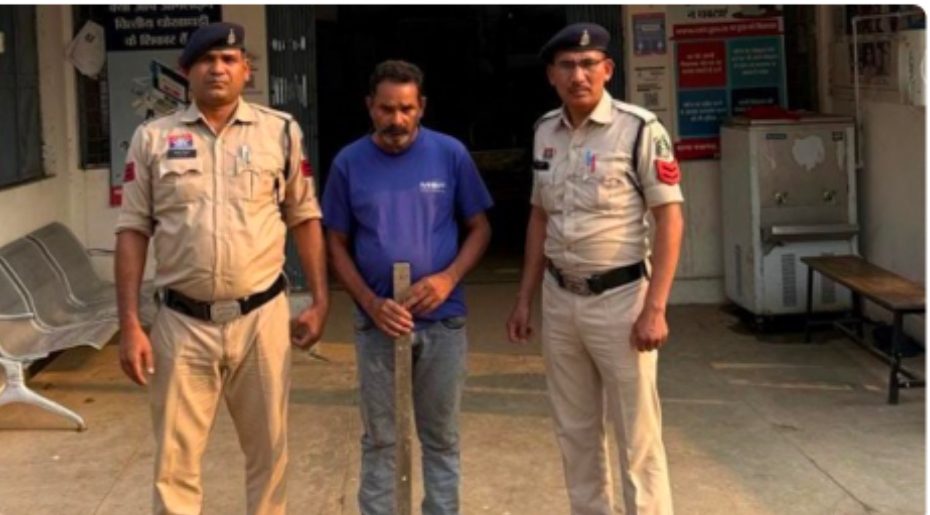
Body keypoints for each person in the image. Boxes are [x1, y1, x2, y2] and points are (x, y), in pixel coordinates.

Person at [114, 22, 328, 515]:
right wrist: (130, 324)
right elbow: (132, 231)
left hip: (261, 320)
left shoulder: (281, 132)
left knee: (269, 454)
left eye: (230, 60)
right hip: (182, 324)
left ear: (246, 69)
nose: (218, 68)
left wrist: (320, 300)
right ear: (186, 70)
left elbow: (304, 217)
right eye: (207, 60)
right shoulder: (153, 138)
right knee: (175, 465)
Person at [506, 23, 684, 515]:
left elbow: (670, 218)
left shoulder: (639, 129)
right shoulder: (545, 130)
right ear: (551, 75)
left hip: (621, 301)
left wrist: (655, 308)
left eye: (588, 65)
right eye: (566, 65)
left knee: (637, 436)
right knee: (575, 431)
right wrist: (524, 298)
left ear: (607, 69)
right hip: (560, 299)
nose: (578, 75)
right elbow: (539, 217)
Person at [322, 60, 493, 515]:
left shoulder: (450, 154)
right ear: (369, 107)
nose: (396, 119)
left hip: (443, 322)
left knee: (441, 438)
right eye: (386, 109)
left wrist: (448, 278)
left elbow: (480, 228)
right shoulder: (348, 163)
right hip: (378, 324)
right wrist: (369, 302)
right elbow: (334, 243)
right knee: (381, 438)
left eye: (406, 109)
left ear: (422, 107)